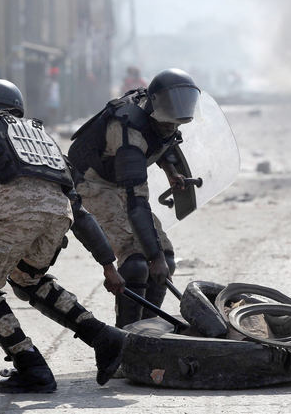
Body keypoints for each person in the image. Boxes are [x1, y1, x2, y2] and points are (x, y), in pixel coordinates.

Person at [0, 78, 126, 394]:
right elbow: (79, 210)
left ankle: (31, 366)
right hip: (58, 218)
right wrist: (107, 264)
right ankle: (103, 336)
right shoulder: (42, 137)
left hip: (14, 215)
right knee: (26, 279)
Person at [67, 68, 201, 328]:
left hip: (119, 180)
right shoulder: (128, 131)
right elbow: (135, 203)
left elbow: (162, 140)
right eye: (168, 122)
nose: (171, 127)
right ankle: (126, 337)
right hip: (91, 183)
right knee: (137, 262)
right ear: (155, 106)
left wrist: (171, 171)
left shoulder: (159, 115)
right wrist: (154, 258)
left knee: (167, 258)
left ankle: (148, 331)